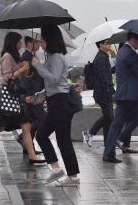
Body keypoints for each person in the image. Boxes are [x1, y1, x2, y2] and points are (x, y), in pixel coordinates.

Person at [0, 32, 45, 166]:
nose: (21, 44)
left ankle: (32, 155)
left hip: (15, 98)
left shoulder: (14, 57)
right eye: (19, 42)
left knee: (26, 126)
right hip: (11, 97)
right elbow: (7, 78)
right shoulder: (7, 56)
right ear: (13, 43)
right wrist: (21, 70)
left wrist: (22, 68)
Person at [102, 32, 138, 163]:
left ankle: (108, 153)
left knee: (116, 125)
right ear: (133, 39)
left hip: (123, 95)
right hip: (133, 96)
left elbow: (130, 75)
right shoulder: (131, 53)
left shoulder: (122, 52)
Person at [33, 24, 80, 187]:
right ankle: (56, 169)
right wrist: (43, 92)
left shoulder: (57, 57)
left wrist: (38, 66)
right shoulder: (52, 57)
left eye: (42, 39)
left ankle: (73, 177)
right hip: (55, 101)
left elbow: (54, 78)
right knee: (42, 134)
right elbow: (53, 83)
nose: (40, 42)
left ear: (49, 39)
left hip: (61, 102)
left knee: (62, 139)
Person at [82, 38, 115, 147]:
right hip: (103, 92)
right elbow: (103, 77)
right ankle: (90, 133)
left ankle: (107, 142)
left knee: (109, 118)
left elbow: (108, 72)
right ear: (100, 45)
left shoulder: (104, 56)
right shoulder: (101, 57)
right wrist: (108, 90)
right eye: (107, 43)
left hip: (105, 91)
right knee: (109, 117)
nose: (109, 44)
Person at [20, 36, 46, 155]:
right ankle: (23, 137)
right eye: (36, 42)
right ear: (29, 44)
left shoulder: (33, 57)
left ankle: (28, 147)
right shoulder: (27, 57)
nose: (39, 44)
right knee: (40, 118)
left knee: (32, 119)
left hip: (37, 91)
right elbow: (26, 78)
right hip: (33, 93)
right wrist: (29, 95)